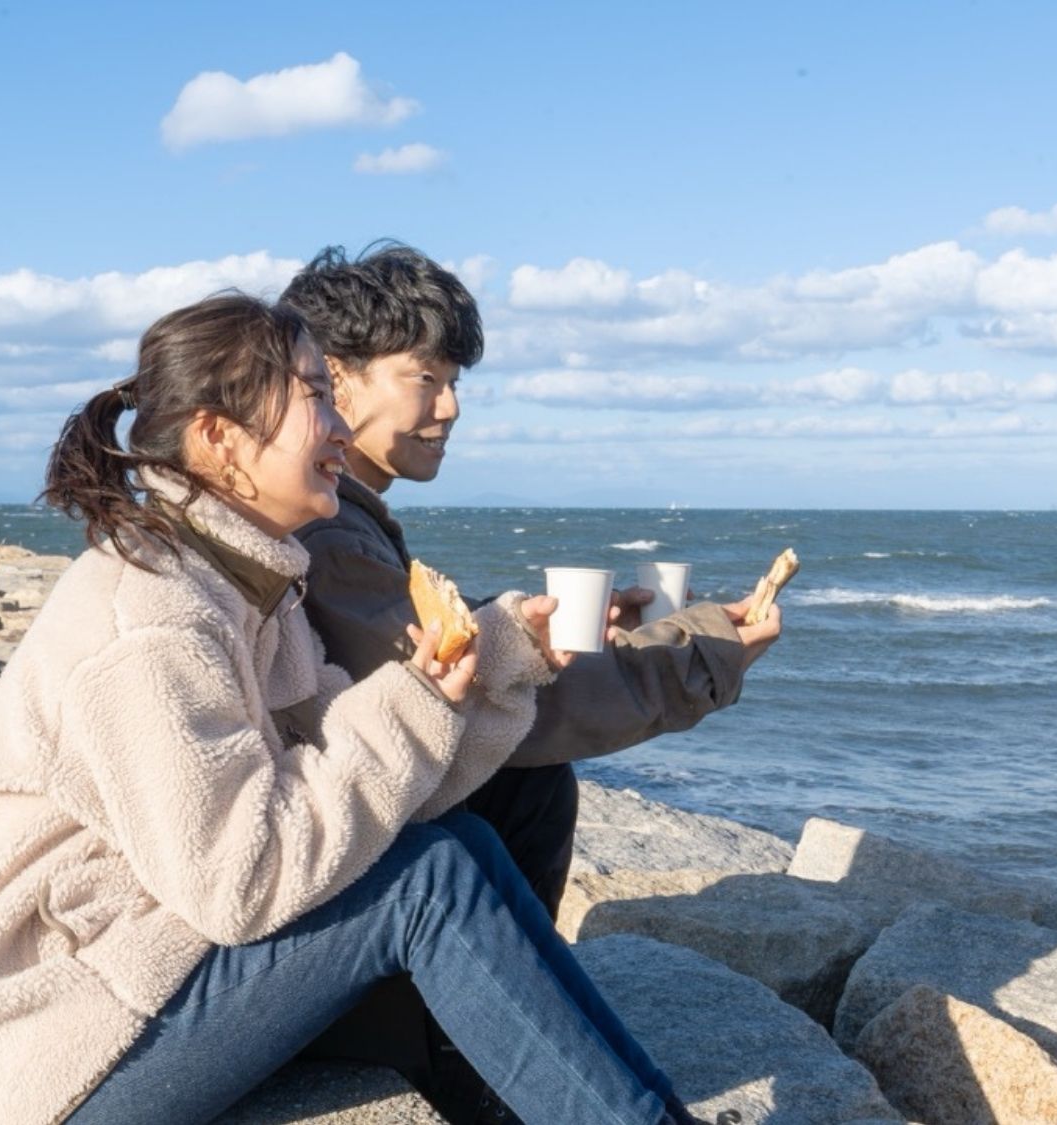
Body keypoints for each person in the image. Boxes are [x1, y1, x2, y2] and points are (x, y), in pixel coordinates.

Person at [0, 293, 721, 1125]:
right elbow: (240, 882)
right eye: (310, 397)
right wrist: (416, 699)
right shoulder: (150, 619)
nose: (336, 428)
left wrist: (499, 657)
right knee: (425, 882)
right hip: (61, 1034)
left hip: (147, 958)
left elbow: (373, 771)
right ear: (218, 437)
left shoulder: (245, 585)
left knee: (462, 837)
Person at [280, 244, 782, 1121]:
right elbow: (481, 698)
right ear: (337, 381)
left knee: (525, 782)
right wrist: (699, 657)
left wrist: (626, 637)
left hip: (317, 872)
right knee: (529, 779)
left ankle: (488, 1041)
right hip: (307, 909)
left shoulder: (343, 523)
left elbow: (440, 642)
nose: (452, 406)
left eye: (455, 381)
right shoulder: (328, 535)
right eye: (426, 378)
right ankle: (480, 1057)